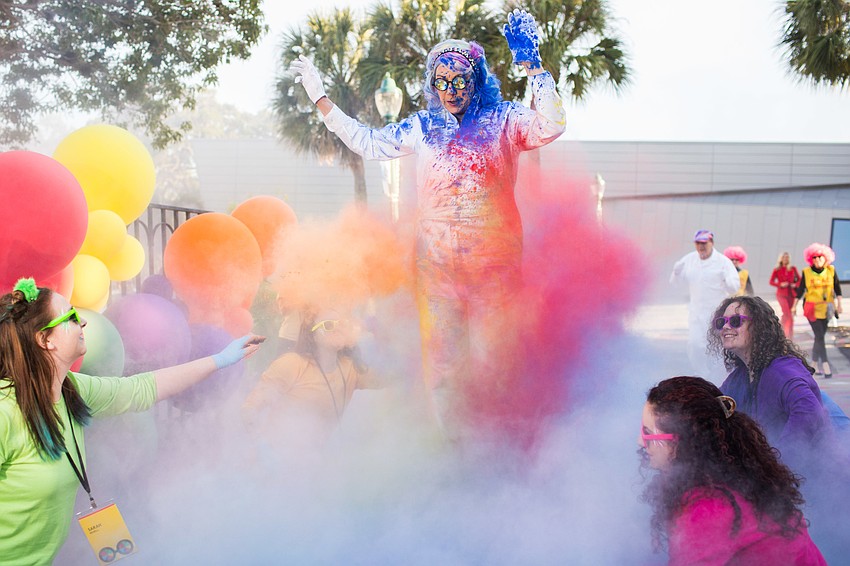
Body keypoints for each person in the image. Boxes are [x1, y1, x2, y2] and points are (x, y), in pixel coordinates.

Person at [289, 9, 566, 430]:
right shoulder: (422, 126)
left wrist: (534, 68)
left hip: (495, 269)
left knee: (496, 364)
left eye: (459, 80)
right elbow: (368, 141)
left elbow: (551, 125)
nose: (451, 89)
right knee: (443, 369)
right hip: (437, 272)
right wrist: (320, 98)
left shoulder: (504, 119)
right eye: (442, 81)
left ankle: (502, 447)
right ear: (431, 85)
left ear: (476, 80)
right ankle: (454, 450)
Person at [0, 278, 264, 564]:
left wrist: (220, 360)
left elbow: (142, 388)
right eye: (72, 317)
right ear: (45, 339)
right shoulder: (4, 412)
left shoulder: (71, 389)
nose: (83, 323)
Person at [639, 376, 826, 565]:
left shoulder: (707, 511)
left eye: (647, 432)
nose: (640, 441)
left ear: (681, 441)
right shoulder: (741, 478)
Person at [242, 308, 382, 444]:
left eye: (341, 324)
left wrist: (385, 332)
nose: (338, 328)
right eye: (328, 325)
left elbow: (392, 380)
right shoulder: (291, 364)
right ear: (312, 335)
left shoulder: (350, 368)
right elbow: (250, 407)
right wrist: (259, 446)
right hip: (280, 456)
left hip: (318, 459)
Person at [669, 229, 740, 381]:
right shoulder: (689, 260)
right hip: (696, 312)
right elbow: (676, 285)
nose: (701, 247)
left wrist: (728, 281)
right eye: (698, 243)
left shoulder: (723, 262)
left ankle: (721, 378)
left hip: (717, 313)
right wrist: (676, 273)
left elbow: (734, 286)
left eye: (704, 243)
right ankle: (702, 375)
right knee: (695, 345)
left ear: (711, 243)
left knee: (719, 346)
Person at [793, 242, 842, 378]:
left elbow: (837, 288)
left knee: (818, 338)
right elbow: (800, 290)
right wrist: (794, 306)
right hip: (812, 308)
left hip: (827, 308)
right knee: (820, 336)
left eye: (820, 257)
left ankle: (814, 364)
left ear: (825, 257)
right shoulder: (806, 272)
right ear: (811, 259)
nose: (817, 259)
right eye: (814, 257)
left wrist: (839, 304)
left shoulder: (831, 270)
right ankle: (825, 365)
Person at [770, 251, 800, 339]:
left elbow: (800, 280)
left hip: (791, 294)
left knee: (788, 315)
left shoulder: (793, 268)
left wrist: (795, 284)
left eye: (787, 257)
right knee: (787, 314)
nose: (785, 259)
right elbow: (771, 281)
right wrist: (780, 284)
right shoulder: (777, 269)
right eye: (784, 257)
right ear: (781, 259)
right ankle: (786, 336)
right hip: (781, 294)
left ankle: (785, 333)